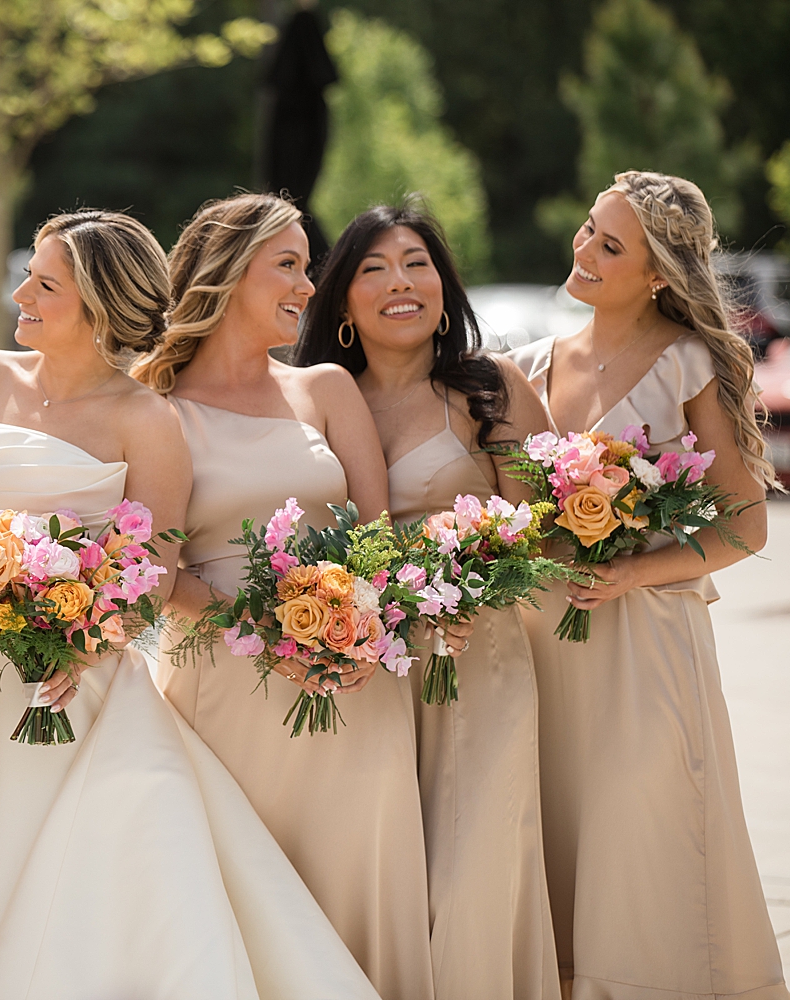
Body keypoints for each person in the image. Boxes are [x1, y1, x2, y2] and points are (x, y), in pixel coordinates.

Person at [0, 209, 377, 1000]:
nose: (21, 294)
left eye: (44, 284)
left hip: (70, 689)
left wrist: (72, 645)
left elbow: (148, 575)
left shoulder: (147, 420)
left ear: (100, 305)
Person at [135, 192, 435, 999]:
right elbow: (154, 572)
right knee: (244, 896)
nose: (310, 284)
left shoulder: (325, 389)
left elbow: (378, 537)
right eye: (290, 265)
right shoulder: (155, 408)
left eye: (309, 266)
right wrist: (266, 634)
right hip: (225, 688)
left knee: (357, 880)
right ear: (228, 274)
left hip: (354, 687)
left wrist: (354, 628)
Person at [511, 171, 787, 999]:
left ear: (659, 272)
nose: (584, 250)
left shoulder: (688, 362)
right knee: (559, 831)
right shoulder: (527, 365)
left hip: (646, 647)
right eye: (589, 229)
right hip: (541, 647)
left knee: (644, 836)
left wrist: (630, 570)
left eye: (611, 244)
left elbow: (744, 522)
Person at [294, 203, 560, 999]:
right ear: (341, 301)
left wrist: (473, 568)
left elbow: (544, 529)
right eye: (373, 268)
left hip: (477, 659)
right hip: (361, 671)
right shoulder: (311, 402)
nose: (400, 282)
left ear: (444, 286)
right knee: (374, 870)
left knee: (474, 859)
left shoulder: (492, 387)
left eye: (418, 263)